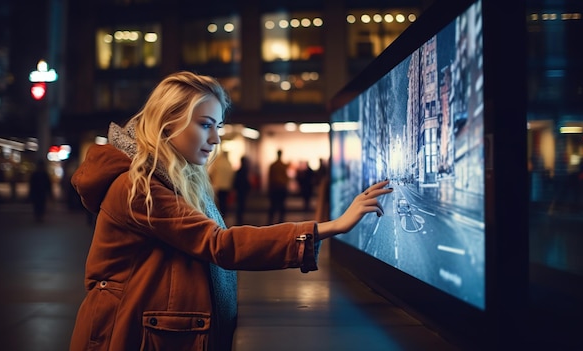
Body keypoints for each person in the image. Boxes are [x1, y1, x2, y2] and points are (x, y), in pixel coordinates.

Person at [69, 71, 393, 351]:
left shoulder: (173, 178)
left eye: (219, 127)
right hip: (127, 335)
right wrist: (331, 226)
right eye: (205, 124)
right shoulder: (137, 187)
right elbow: (219, 245)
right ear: (167, 123)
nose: (215, 138)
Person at [209, 150, 234, 216]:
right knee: (225, 201)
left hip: (218, 185)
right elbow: (232, 176)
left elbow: (212, 173)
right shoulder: (229, 163)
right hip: (227, 186)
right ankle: (224, 212)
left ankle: (220, 213)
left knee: (219, 201)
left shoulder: (218, 162)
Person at [267, 149, 290, 224]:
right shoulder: (283, 165)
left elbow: (270, 177)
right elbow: (285, 177)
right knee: (281, 206)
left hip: (275, 187)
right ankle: (280, 222)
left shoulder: (273, 165)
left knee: (273, 206)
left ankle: (271, 221)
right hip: (281, 187)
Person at [232, 155, 251, 224]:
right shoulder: (245, 171)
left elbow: (235, 181)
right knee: (241, 205)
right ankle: (240, 218)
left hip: (240, 190)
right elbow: (246, 181)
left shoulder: (239, 171)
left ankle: (239, 218)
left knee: (240, 205)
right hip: (242, 190)